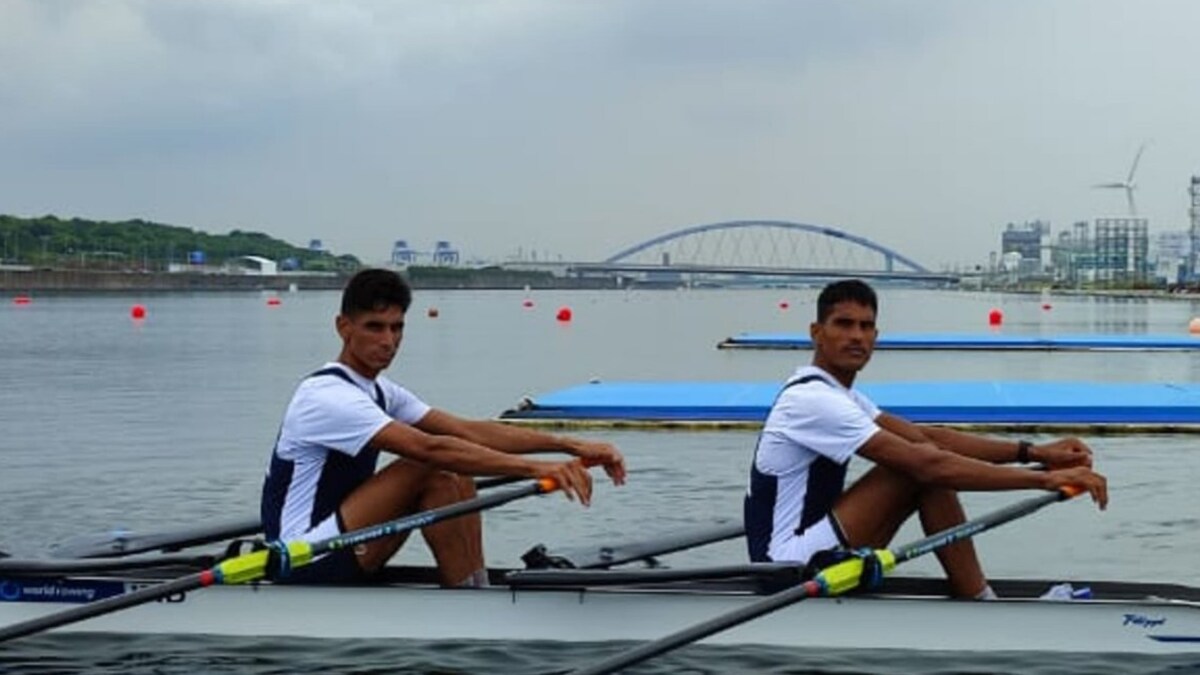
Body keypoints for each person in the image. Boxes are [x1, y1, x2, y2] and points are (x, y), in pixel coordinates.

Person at [743, 279, 1107, 599]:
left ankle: (979, 599)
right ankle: (981, 603)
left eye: (866, 326)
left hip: (814, 551)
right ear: (816, 332)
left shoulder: (841, 395)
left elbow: (927, 437)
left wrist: (1034, 451)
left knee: (926, 460)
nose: (857, 335)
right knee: (919, 469)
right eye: (844, 324)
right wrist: (1046, 478)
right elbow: (927, 462)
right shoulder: (812, 400)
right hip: (786, 570)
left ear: (876, 337)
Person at [261, 268, 626, 586]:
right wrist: (537, 469)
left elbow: (469, 431)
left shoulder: (381, 391)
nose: (388, 341)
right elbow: (429, 448)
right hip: (301, 557)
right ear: (343, 327)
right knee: (434, 462)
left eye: (396, 327)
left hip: (347, 542)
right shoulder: (325, 396)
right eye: (374, 327)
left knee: (450, 469)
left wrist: (571, 447)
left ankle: (472, 592)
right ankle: (472, 607)